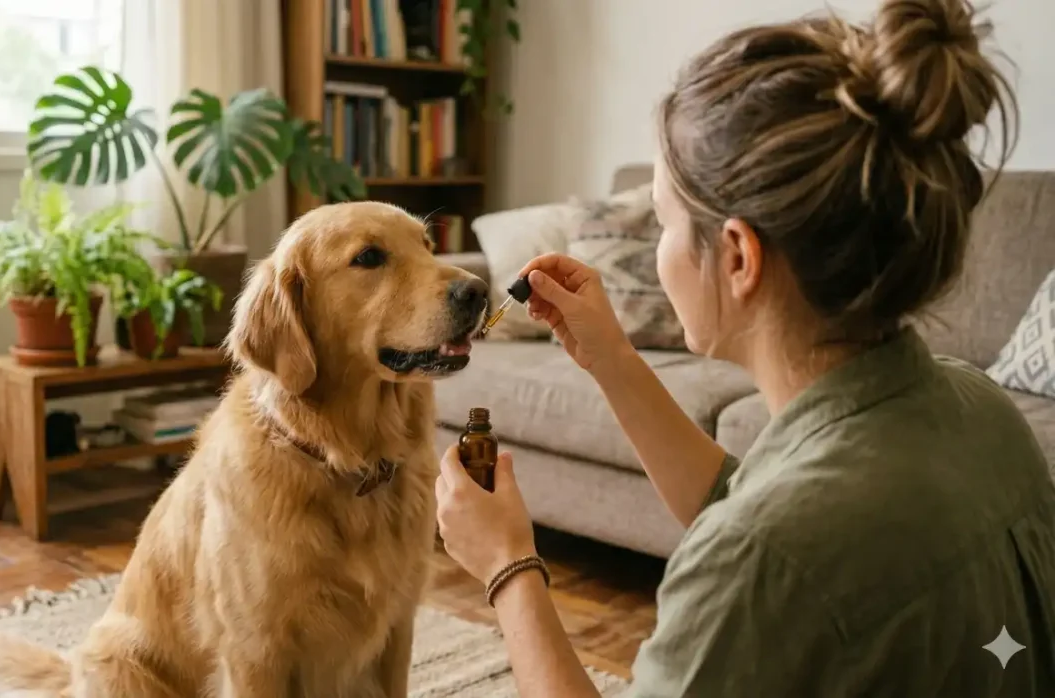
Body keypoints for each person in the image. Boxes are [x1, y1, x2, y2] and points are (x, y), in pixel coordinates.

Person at [434, 0, 1055, 695]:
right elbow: (747, 500)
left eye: (663, 223)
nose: (659, 251)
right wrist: (610, 356)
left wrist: (508, 567)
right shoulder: (980, 409)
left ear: (737, 256)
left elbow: (764, 536)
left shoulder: (764, 558)